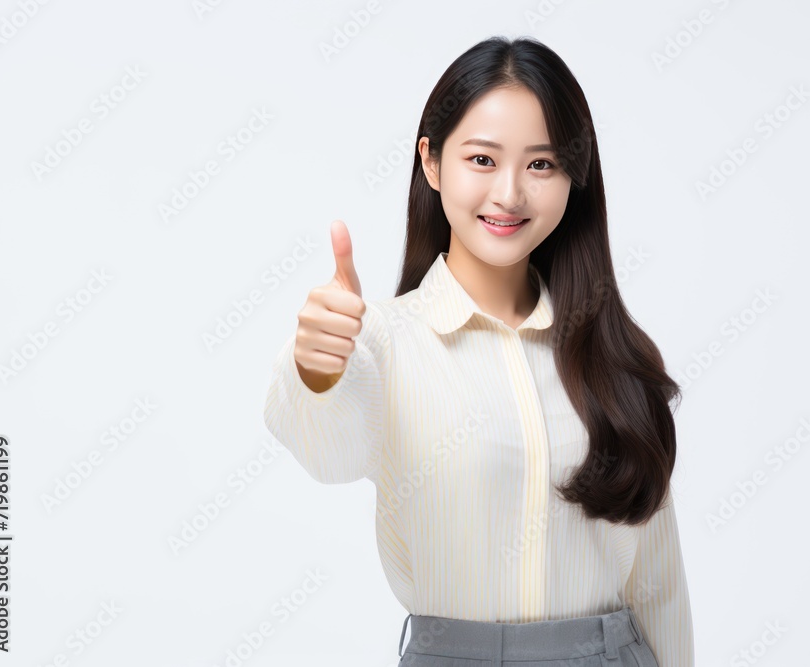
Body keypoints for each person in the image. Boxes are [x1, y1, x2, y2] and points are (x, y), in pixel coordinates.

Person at [263, 35, 694, 667]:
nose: (510, 194)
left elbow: (657, 581)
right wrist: (315, 367)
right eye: (483, 160)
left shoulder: (612, 357)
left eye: (541, 164)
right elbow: (328, 451)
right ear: (432, 164)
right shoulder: (381, 341)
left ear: (575, 177)